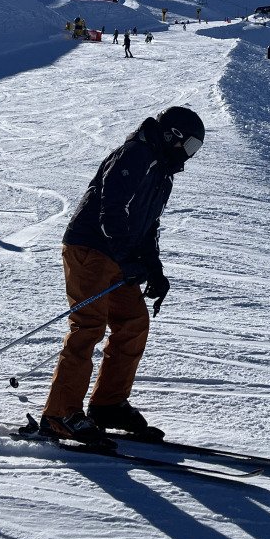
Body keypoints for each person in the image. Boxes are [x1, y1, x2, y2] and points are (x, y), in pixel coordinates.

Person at [40, 105, 206, 446]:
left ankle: (108, 405)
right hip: (90, 248)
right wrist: (129, 263)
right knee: (89, 326)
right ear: (171, 136)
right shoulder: (136, 155)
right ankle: (60, 413)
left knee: (133, 322)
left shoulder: (162, 172)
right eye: (188, 146)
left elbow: (148, 227)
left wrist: (155, 271)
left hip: (115, 256)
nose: (188, 156)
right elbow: (111, 211)